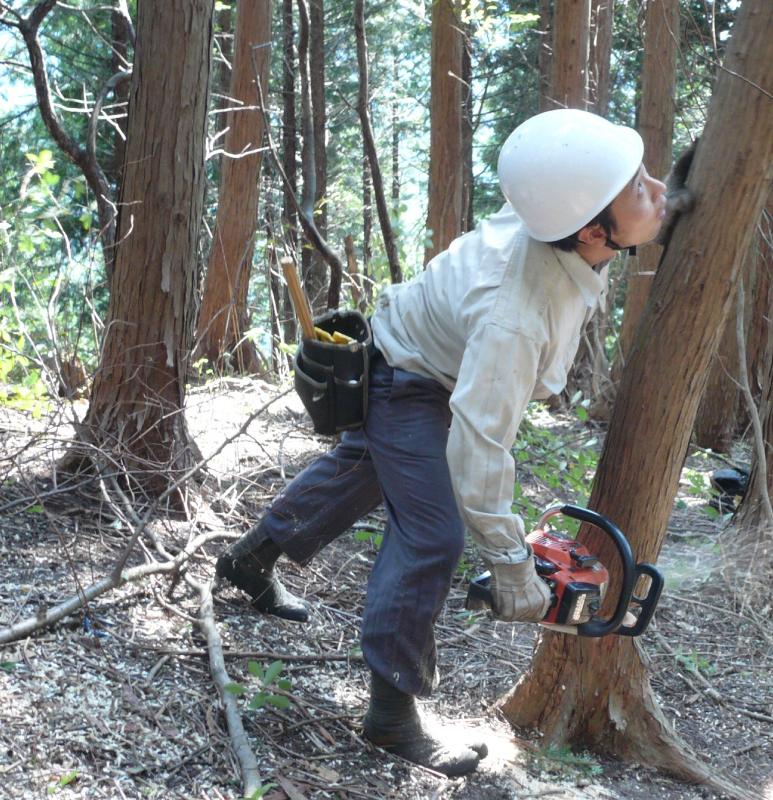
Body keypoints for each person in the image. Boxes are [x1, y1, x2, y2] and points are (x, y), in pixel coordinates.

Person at [215, 108, 668, 776]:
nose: (657, 189)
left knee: (359, 469)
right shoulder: (514, 316)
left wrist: (670, 200)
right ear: (595, 230)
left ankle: (250, 561)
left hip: (413, 359)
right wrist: (512, 564)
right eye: (639, 188)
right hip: (408, 381)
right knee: (432, 535)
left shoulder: (556, 224)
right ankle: (392, 717)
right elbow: (479, 443)